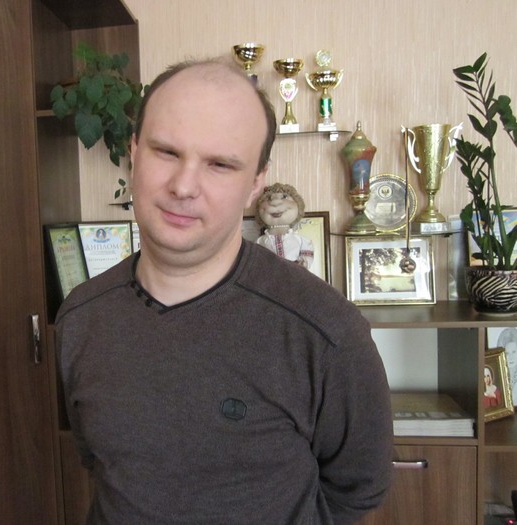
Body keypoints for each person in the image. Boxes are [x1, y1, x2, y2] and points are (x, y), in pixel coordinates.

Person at [56, 57, 393, 525]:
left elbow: (357, 488)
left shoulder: (326, 332)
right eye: (166, 152)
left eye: (219, 164)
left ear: (256, 183)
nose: (183, 186)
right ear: (134, 151)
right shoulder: (80, 317)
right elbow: (100, 463)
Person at [256, 182, 315, 269]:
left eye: (284, 197)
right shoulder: (260, 241)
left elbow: (307, 253)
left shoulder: (300, 240)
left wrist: (303, 263)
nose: (275, 203)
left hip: (293, 273)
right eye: (269, 198)